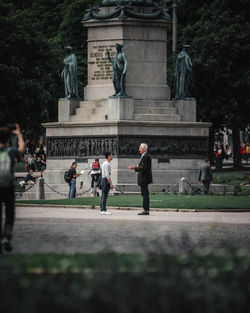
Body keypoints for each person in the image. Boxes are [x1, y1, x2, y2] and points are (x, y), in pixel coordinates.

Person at [0, 124, 25, 253]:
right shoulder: (11, 151)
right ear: (8, 139)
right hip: (8, 185)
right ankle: (6, 237)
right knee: (10, 213)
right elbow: (21, 149)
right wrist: (19, 134)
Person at [129, 143, 153, 215]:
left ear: (144, 149)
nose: (139, 149)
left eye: (140, 148)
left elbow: (144, 168)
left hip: (144, 179)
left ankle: (146, 210)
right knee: (144, 194)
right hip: (144, 179)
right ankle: (145, 209)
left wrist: (135, 168)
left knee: (145, 194)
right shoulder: (145, 156)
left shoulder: (146, 156)